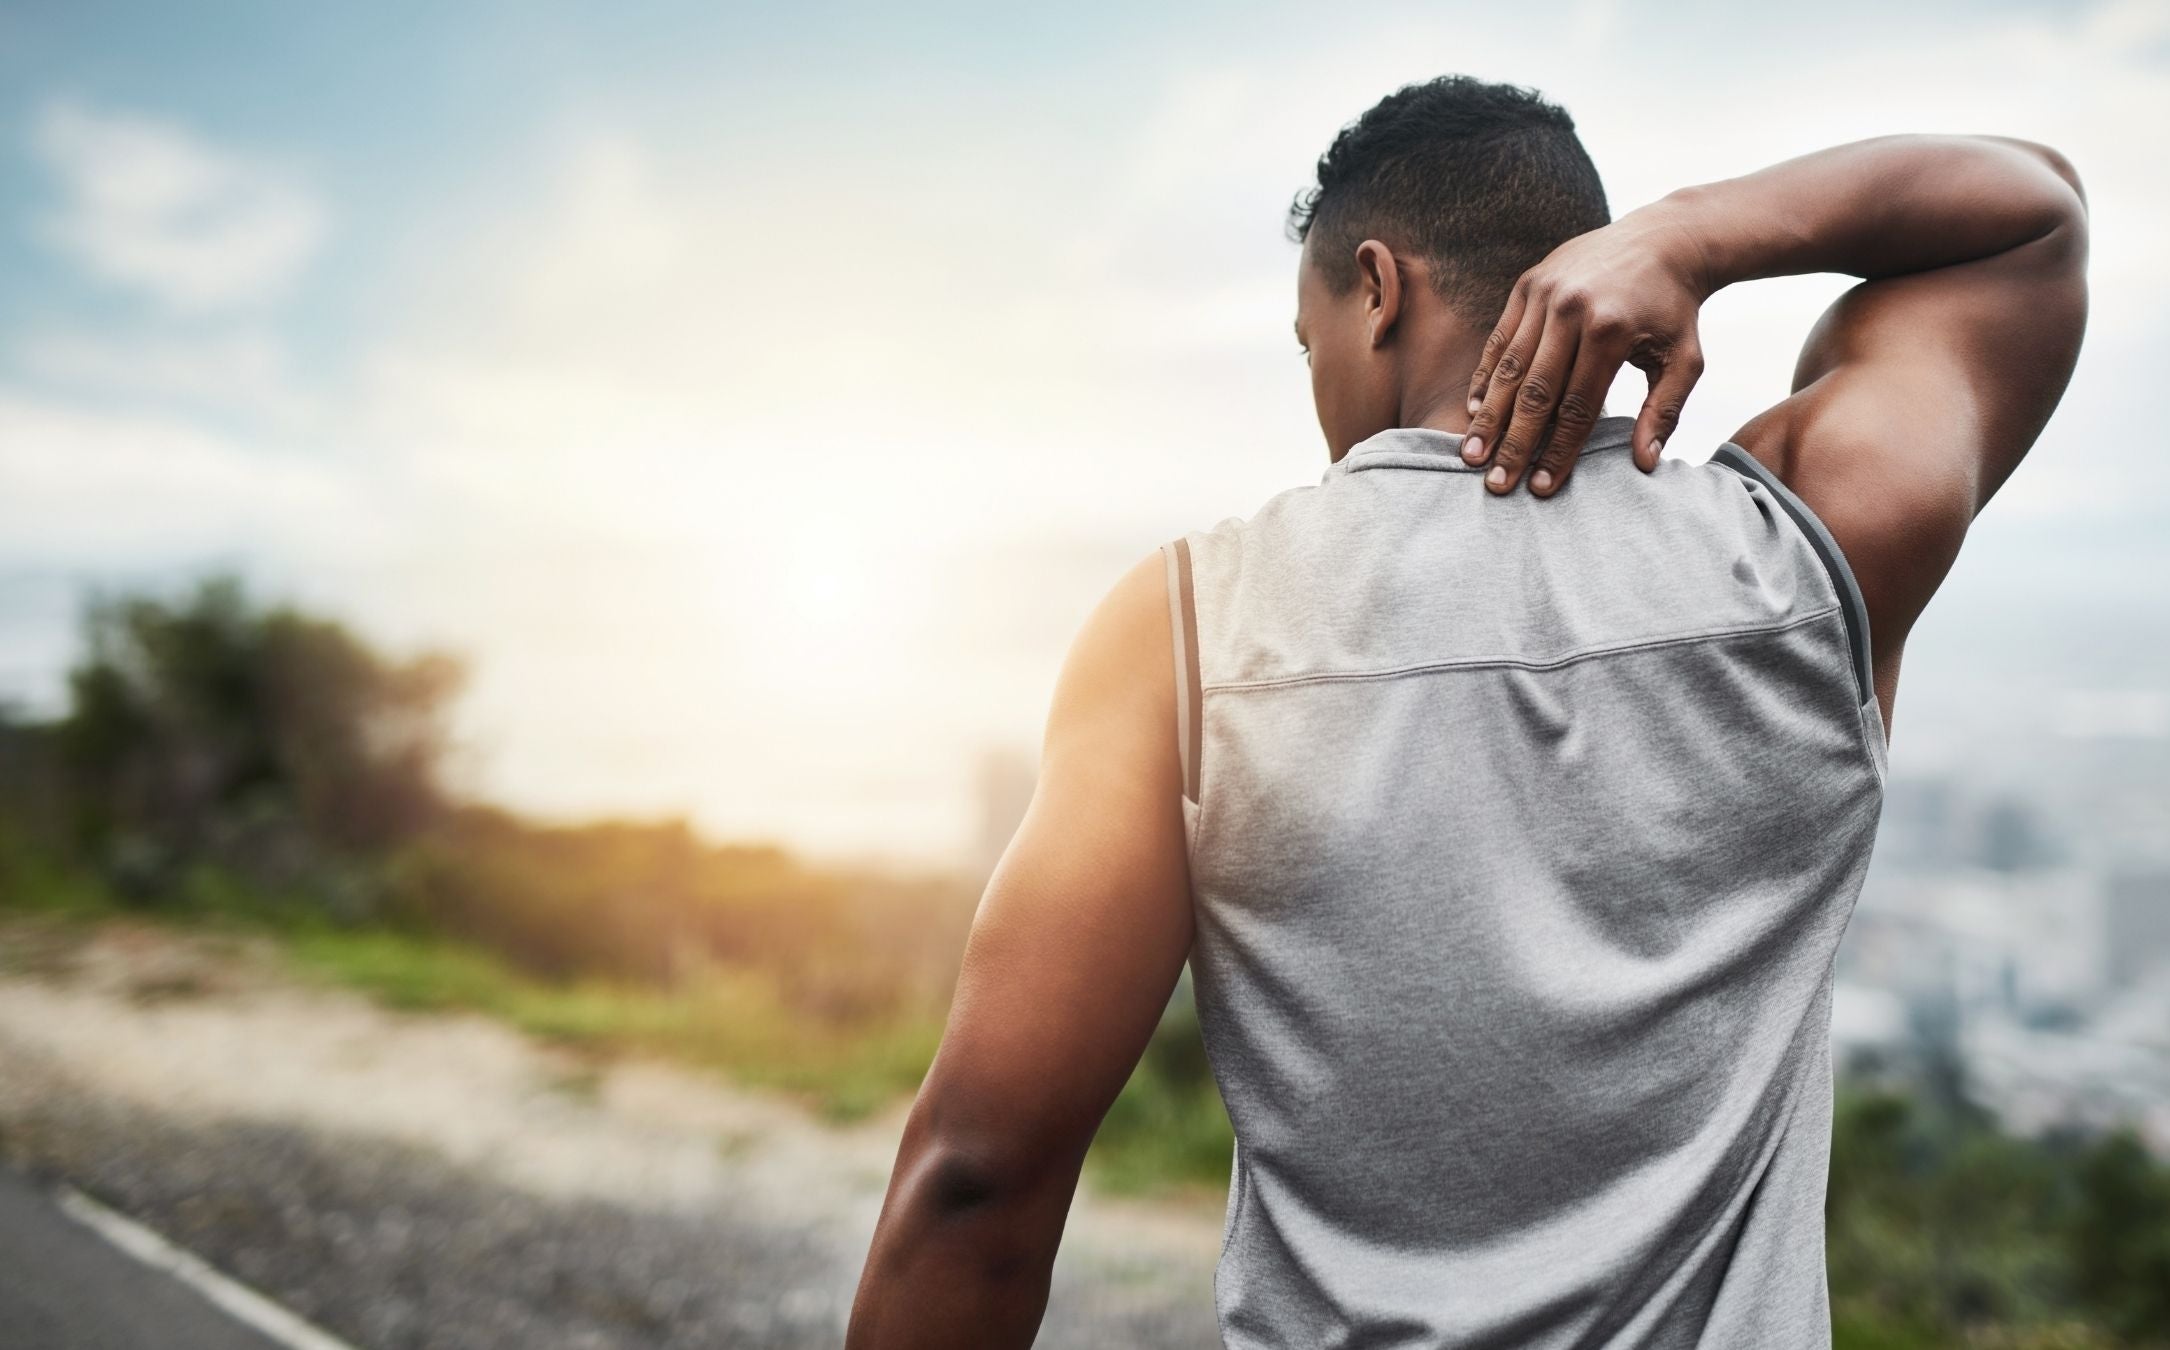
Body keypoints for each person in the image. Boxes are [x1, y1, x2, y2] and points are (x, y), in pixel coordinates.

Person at [846, 76, 2087, 1349]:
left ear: (1377, 290)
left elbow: (977, 1184)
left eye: (1306, 336)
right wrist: (1692, 236)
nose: (1314, 377)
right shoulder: (1798, 560)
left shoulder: (1189, 633)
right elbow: (2031, 217)